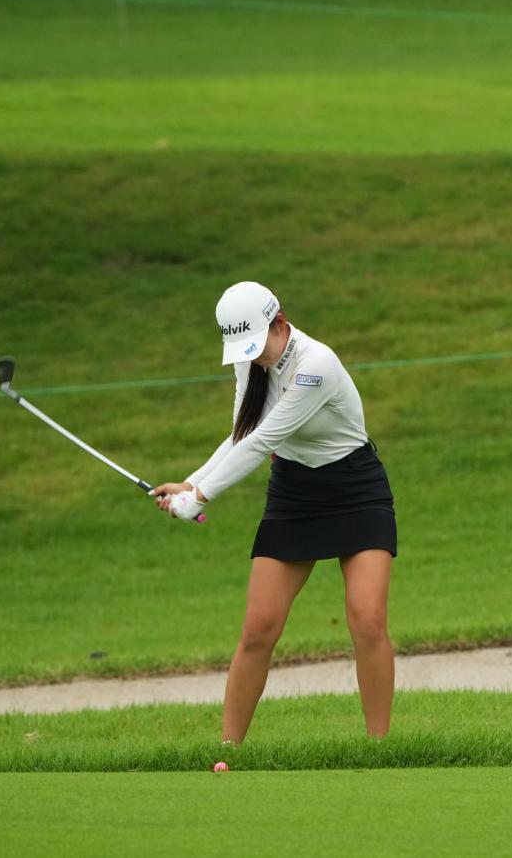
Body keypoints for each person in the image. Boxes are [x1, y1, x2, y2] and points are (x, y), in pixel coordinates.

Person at [152, 281, 397, 745]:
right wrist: (191, 482)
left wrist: (201, 497)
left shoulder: (316, 365)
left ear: (280, 323)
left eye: (258, 346)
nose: (255, 358)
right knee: (258, 628)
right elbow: (243, 432)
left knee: (367, 620)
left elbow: (266, 439)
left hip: (355, 489)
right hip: (294, 493)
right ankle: (230, 752)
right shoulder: (250, 361)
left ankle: (379, 749)